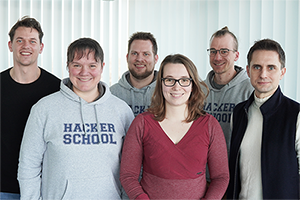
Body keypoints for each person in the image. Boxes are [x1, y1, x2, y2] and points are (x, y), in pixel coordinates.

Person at [17, 38, 134, 199]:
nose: (84, 72)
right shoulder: (44, 109)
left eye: (92, 66)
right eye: (77, 65)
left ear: (102, 67)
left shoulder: (122, 111)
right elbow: (28, 165)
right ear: (68, 66)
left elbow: (132, 168)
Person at [120, 54, 229, 200]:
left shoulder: (210, 125)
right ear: (161, 83)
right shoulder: (141, 123)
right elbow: (128, 175)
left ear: (193, 84)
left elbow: (221, 177)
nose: (177, 87)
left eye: (184, 80)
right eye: (169, 80)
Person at [227, 39, 300, 200]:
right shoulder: (239, 113)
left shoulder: (296, 114)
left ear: (282, 72)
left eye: (271, 67)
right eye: (257, 67)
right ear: (248, 70)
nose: (263, 74)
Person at [0, 16, 60, 199]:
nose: (26, 46)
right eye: (20, 40)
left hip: (44, 187)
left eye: (32, 41)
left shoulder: (56, 88)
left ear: (41, 47)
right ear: (10, 45)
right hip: (3, 187)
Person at [203, 27, 253, 154]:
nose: (217, 57)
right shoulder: (199, 90)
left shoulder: (250, 90)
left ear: (236, 55)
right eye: (213, 51)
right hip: (203, 169)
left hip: (235, 169)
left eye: (224, 51)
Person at [110, 32, 159, 117]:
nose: (139, 59)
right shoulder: (112, 94)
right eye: (134, 53)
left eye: (146, 54)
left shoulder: (166, 92)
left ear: (155, 59)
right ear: (127, 57)